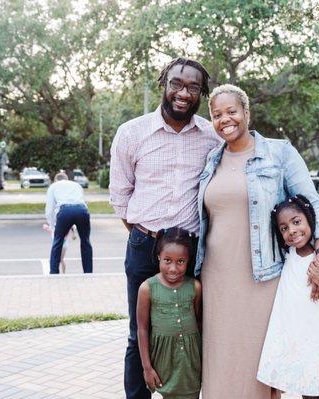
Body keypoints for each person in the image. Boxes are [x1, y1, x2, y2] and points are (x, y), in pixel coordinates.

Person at [195, 84, 319, 398]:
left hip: (263, 277)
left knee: (261, 361)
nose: (225, 119)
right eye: (217, 115)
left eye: (232, 111)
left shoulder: (279, 151)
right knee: (220, 357)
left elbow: (314, 203)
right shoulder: (211, 160)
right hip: (216, 277)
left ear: (246, 112)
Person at [109, 57, 220, 399]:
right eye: (176, 83)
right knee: (137, 332)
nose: (183, 93)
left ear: (201, 93)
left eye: (193, 87)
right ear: (163, 83)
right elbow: (120, 195)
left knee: (194, 329)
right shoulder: (131, 133)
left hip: (195, 250)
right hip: (145, 245)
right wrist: (148, 238)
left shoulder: (212, 137)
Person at [257, 194, 319, 398]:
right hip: (298, 340)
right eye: (284, 228)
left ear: (310, 220)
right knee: (308, 391)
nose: (292, 231)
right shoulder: (286, 257)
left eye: (296, 222)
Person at [136, 227, 202, 399]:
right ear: (158, 256)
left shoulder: (195, 287)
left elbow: (199, 322)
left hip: (191, 361)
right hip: (164, 361)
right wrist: (147, 368)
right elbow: (142, 329)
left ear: (188, 261)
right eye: (167, 260)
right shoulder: (147, 288)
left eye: (180, 261)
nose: (173, 268)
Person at [45, 172, 92, 274]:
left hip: (65, 211)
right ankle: (88, 272)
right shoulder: (76, 185)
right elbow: (82, 201)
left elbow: (49, 209)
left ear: (56, 180)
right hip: (82, 210)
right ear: (67, 179)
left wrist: (52, 225)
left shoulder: (53, 186)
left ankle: (54, 272)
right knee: (85, 241)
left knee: (58, 242)